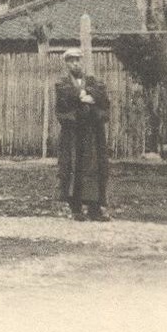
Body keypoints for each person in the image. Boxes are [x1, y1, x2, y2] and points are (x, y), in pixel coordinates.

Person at [56, 49, 111, 221]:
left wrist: (92, 98)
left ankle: (94, 208)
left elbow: (104, 102)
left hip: (92, 132)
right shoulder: (63, 84)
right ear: (66, 63)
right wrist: (79, 97)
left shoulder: (94, 82)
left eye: (78, 60)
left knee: (93, 167)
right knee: (74, 167)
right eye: (71, 61)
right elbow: (62, 107)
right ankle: (76, 207)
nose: (75, 64)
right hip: (73, 132)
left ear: (82, 61)